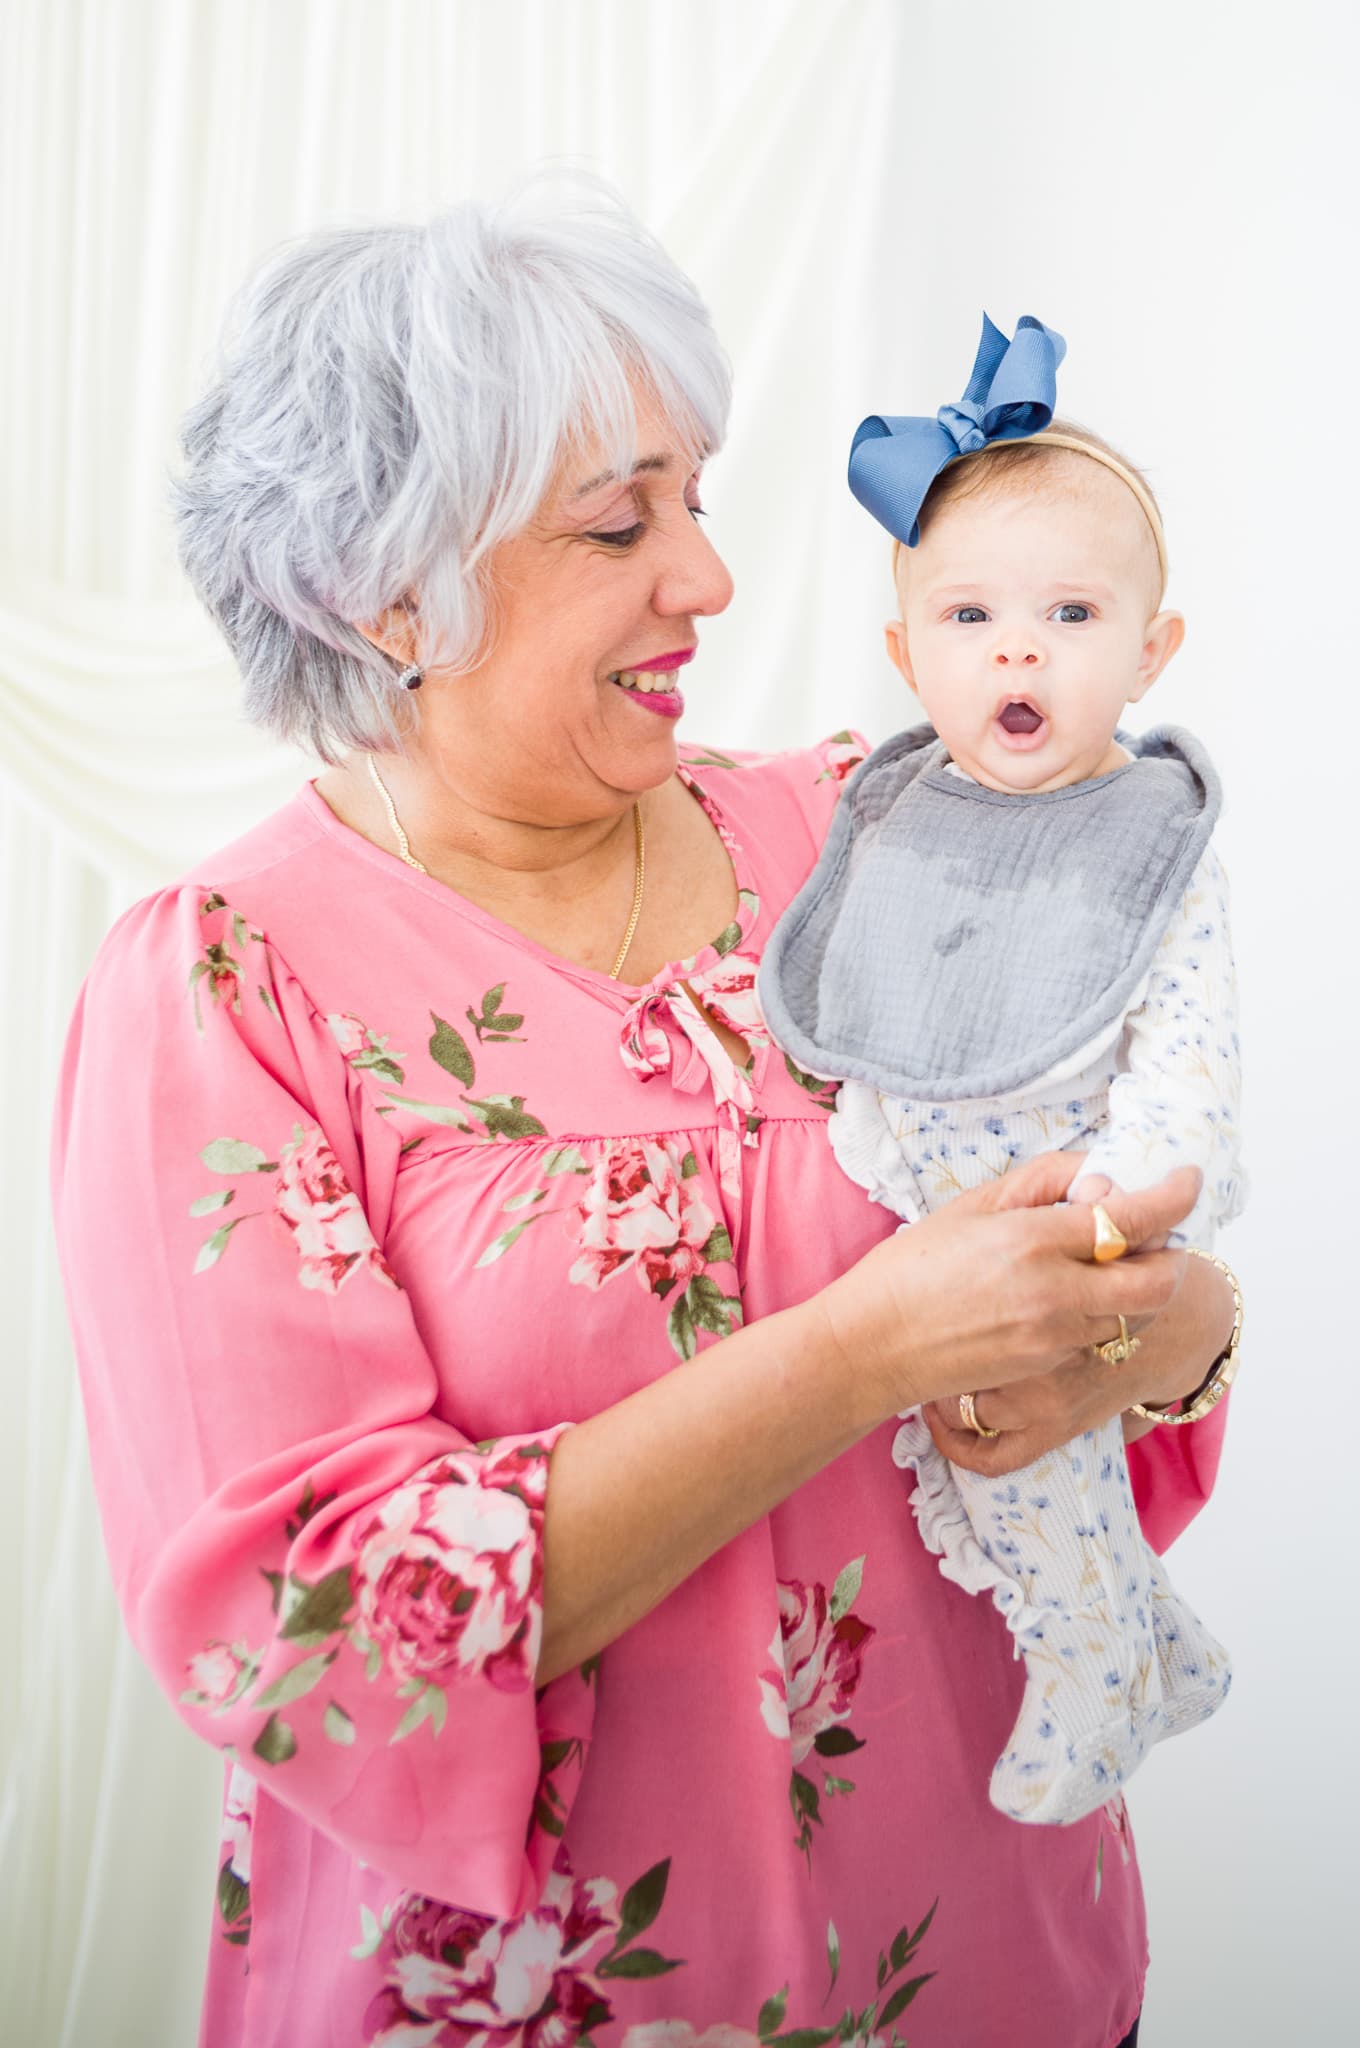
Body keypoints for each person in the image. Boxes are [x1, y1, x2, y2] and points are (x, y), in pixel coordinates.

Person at [50, 182, 1236, 2048]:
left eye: (694, 493)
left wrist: (1174, 1333)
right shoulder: (231, 986)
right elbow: (313, 1631)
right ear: (390, 590)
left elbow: (1112, 1289)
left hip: (1006, 1969)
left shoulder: (877, 831)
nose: (710, 577)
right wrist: (854, 1351)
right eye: (622, 523)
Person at [758, 314, 1245, 1831]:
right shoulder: (897, 808)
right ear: (907, 657)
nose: (1017, 649)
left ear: (1151, 652)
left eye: (1072, 614)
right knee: (979, 1465)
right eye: (967, 619)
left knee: (1026, 1460)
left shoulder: (1144, 842)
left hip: (1072, 1215)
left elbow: (1189, 1043)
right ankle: (1153, 1643)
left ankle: (1097, 1663)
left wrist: (1143, 1188)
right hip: (928, 1215)